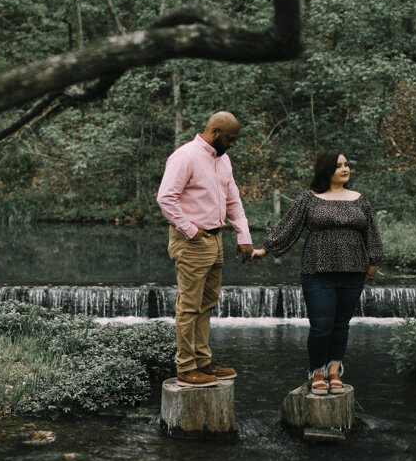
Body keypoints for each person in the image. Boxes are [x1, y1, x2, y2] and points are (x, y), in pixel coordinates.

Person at [250, 151, 382, 395]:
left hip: (354, 270)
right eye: (338, 166)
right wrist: (265, 250)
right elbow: (288, 227)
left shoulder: (360, 200)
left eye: (346, 164)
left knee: (341, 324)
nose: (345, 169)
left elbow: (371, 233)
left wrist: (373, 264)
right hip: (317, 270)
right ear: (326, 171)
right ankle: (316, 371)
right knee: (321, 325)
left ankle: (335, 369)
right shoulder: (309, 199)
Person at [157, 111, 254, 388]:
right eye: (230, 139)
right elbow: (166, 197)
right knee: (189, 306)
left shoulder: (224, 160)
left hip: (216, 240)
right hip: (191, 241)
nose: (233, 144)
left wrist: (243, 236)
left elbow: (233, 199)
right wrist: (189, 229)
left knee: (207, 302)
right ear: (214, 131)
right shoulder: (185, 156)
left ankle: (202, 360)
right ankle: (186, 367)